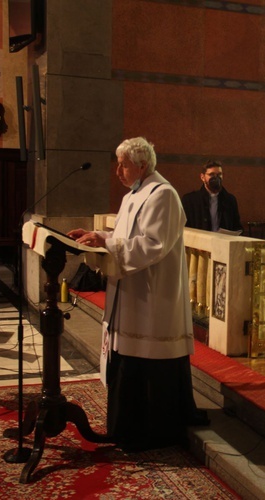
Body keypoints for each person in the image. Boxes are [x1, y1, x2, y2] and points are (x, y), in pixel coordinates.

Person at [68, 137, 207, 452]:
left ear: (143, 166)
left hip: (152, 296)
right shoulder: (134, 194)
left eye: (124, 164)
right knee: (129, 360)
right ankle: (127, 426)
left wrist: (108, 244)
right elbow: (123, 236)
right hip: (130, 291)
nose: (118, 171)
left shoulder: (163, 195)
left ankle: (152, 430)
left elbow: (153, 245)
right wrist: (100, 237)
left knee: (147, 362)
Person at [181, 160, 243, 233]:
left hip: (222, 242)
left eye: (219, 174)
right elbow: (183, 227)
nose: (216, 178)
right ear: (202, 177)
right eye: (211, 175)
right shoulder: (190, 200)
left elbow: (236, 227)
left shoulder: (230, 200)